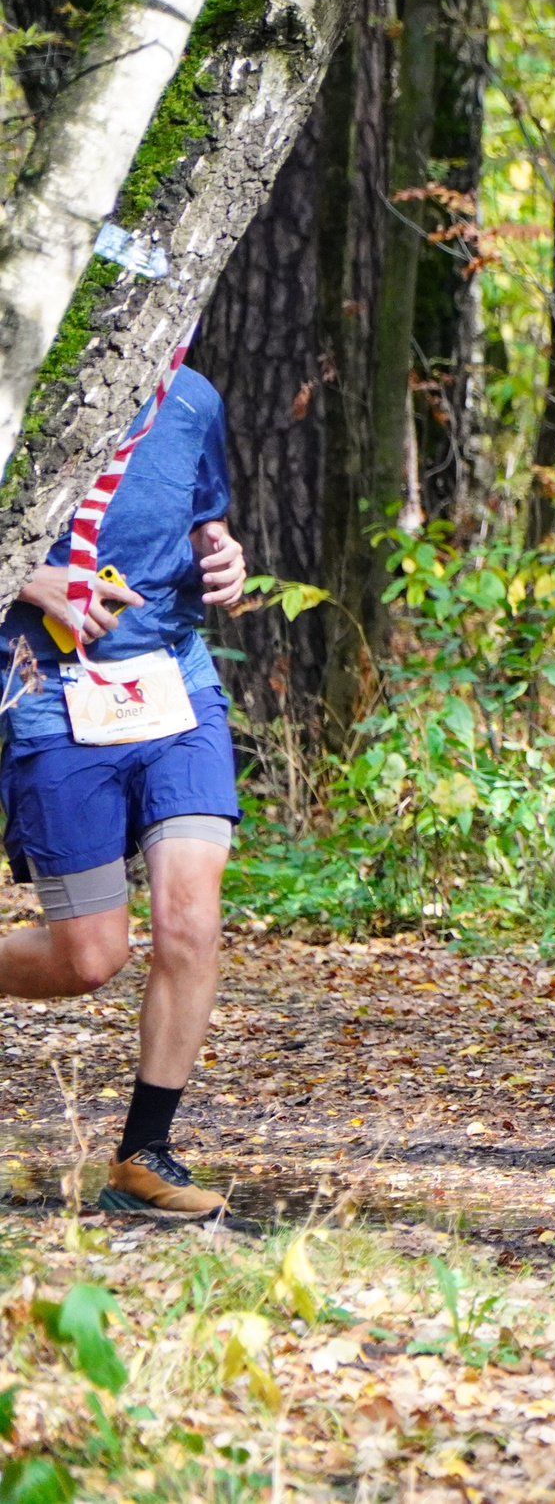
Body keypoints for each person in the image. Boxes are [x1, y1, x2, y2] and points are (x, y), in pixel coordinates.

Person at [0, 357, 246, 1219]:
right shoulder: (27, 374)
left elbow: (203, 524)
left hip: (176, 681)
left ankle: (145, 1154)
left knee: (191, 917)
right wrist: (37, 582)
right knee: (88, 957)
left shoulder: (194, 399)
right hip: (50, 689)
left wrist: (224, 557)